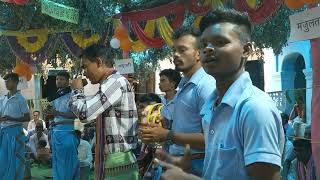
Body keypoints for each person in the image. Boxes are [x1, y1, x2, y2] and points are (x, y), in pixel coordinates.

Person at [156, 8, 285, 180]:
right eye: (203, 45)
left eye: (220, 42)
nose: (208, 49)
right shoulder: (213, 104)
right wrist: (189, 168)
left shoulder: (254, 109)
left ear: (246, 50)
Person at [140, 27, 216, 176]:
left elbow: (212, 138)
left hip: (198, 165)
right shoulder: (183, 86)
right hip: (178, 163)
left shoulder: (206, 85)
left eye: (182, 50)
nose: (175, 55)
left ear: (198, 54)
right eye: (174, 50)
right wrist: (160, 129)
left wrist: (168, 134)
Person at [69, 44, 139, 180]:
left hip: (118, 161)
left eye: (85, 66)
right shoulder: (111, 83)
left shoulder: (115, 82)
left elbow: (85, 113)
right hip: (114, 160)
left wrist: (77, 91)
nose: (84, 73)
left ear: (99, 62)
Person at [47, 71, 80, 180]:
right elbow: (54, 115)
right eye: (57, 79)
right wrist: (50, 113)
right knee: (57, 162)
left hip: (68, 133)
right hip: (55, 133)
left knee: (68, 162)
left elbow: (75, 114)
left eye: (62, 79)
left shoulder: (73, 95)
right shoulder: (55, 96)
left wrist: (57, 113)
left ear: (68, 81)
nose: (59, 81)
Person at [0, 73, 30, 180]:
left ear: (16, 82)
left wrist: (10, 118)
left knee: (16, 160)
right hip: (4, 133)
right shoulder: (2, 98)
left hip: (16, 134)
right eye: (5, 81)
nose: (6, 83)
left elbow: (27, 118)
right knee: (3, 159)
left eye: (9, 81)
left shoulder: (20, 99)